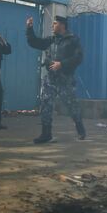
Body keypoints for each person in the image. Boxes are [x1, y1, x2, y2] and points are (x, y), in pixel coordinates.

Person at [26, 16, 86, 144]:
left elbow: (79, 58)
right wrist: (29, 28)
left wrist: (62, 64)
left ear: (62, 25)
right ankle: (46, 134)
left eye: (54, 23)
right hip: (51, 79)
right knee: (46, 105)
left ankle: (80, 129)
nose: (52, 26)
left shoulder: (73, 40)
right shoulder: (51, 40)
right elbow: (34, 42)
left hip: (65, 79)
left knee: (72, 106)